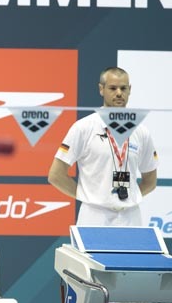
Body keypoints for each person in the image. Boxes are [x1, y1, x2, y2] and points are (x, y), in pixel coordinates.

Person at [48, 66, 158, 226]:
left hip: (131, 217)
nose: (119, 93)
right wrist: (88, 197)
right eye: (113, 88)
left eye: (123, 88)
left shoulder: (141, 132)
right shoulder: (83, 128)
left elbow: (150, 180)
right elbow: (56, 175)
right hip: (94, 215)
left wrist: (129, 199)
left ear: (130, 90)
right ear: (101, 89)